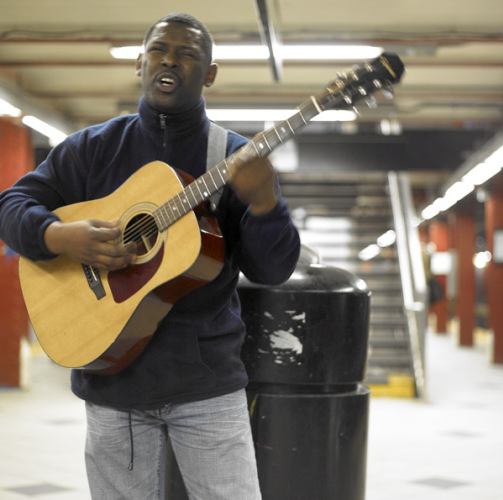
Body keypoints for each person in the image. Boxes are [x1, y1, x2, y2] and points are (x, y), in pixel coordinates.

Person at [0, 12, 300, 500]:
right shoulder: (92, 148)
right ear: (140, 63)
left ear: (209, 74)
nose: (170, 61)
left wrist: (266, 204)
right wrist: (57, 236)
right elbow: (10, 205)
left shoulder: (235, 159)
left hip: (207, 384)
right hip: (112, 381)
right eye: (159, 50)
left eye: (188, 54)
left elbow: (273, 270)